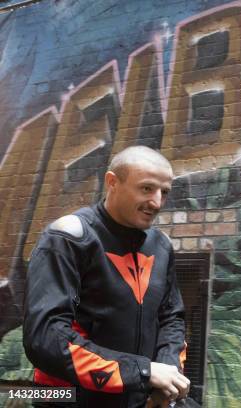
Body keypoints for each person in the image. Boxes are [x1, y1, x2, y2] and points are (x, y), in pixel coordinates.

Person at [23, 146, 190, 408]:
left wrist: (166, 377)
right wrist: (143, 372)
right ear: (112, 182)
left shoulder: (161, 246)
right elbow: (46, 338)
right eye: (146, 188)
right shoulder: (68, 237)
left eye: (164, 192)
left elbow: (171, 318)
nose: (157, 202)